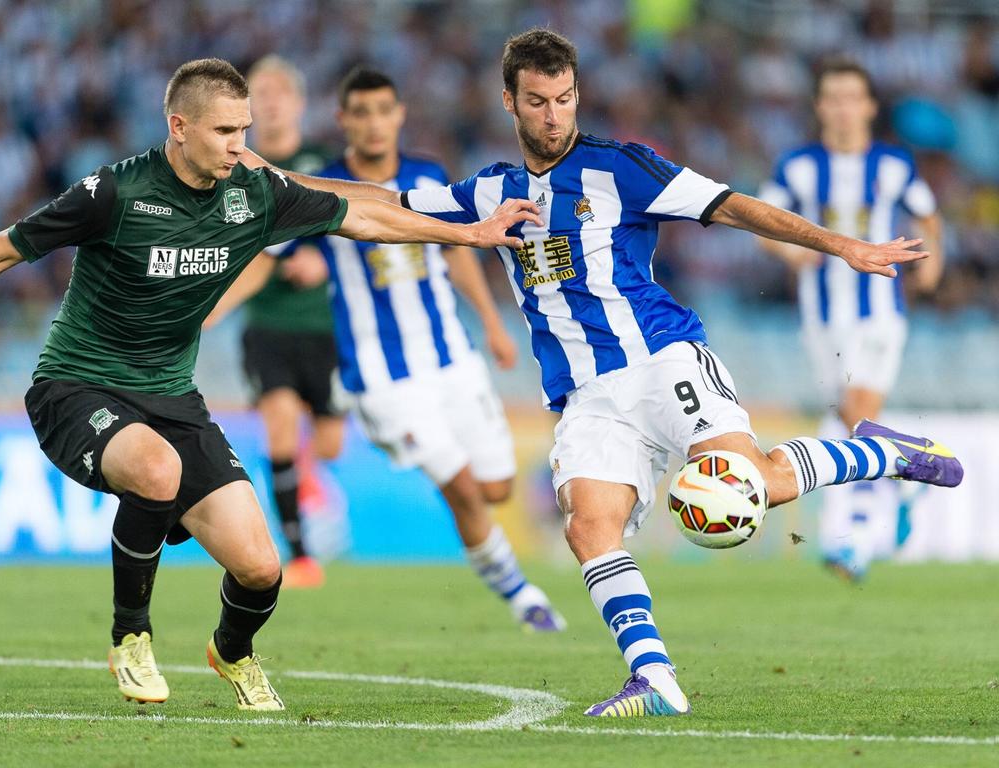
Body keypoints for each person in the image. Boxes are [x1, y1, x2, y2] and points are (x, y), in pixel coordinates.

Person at [265, 29, 963, 718]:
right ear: (509, 101)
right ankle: (653, 677)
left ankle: (889, 451)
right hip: (586, 398)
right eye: (537, 101)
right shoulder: (490, 191)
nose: (553, 115)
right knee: (588, 525)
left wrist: (839, 244)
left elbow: (733, 205)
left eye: (565, 99)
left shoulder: (622, 167)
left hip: (662, 360)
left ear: (578, 96)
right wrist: (279, 178)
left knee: (755, 488)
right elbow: (384, 203)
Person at [0, 58, 539, 711]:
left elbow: (362, 214)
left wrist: (466, 235)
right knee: (157, 470)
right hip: (77, 386)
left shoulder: (253, 192)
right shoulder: (115, 194)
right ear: (178, 126)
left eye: (244, 129)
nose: (240, 145)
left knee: (260, 569)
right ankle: (130, 637)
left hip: (171, 397)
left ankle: (233, 651)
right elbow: (2, 251)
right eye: (223, 131)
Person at [211, 66, 565, 632]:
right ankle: (522, 594)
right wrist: (208, 313)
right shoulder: (323, 187)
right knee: (462, 486)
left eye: (384, 111)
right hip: (383, 377)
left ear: (399, 115)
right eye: (362, 113)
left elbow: (457, 254)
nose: (374, 124)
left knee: (494, 486)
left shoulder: (428, 176)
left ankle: (504, 572)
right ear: (343, 121)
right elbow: (266, 261)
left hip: (452, 358)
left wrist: (493, 325)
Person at [757, 59, 944, 581]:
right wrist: (790, 255)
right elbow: (762, 222)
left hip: (880, 311)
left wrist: (935, 265)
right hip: (820, 319)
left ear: (868, 107)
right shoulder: (797, 166)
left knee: (858, 417)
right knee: (848, 423)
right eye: (832, 97)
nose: (842, 108)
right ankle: (902, 477)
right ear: (820, 107)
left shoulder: (892, 165)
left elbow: (927, 213)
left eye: (851, 98)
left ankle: (856, 541)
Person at [237, 55, 337, 589]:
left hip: (326, 326)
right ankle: (298, 554)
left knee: (329, 444)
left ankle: (302, 472)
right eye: (261, 92)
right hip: (268, 323)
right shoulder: (235, 169)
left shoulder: (324, 162)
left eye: (280, 91)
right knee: (278, 422)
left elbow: (361, 229)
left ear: (298, 102)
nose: (271, 101)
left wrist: (324, 261)